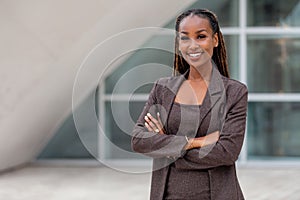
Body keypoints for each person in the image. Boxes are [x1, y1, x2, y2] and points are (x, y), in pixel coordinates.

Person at [131, 8, 248, 200]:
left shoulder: (234, 93)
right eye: (185, 38)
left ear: (215, 40)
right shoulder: (162, 88)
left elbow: (226, 153)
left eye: (201, 36)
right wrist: (194, 142)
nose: (192, 45)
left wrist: (166, 146)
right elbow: (138, 140)